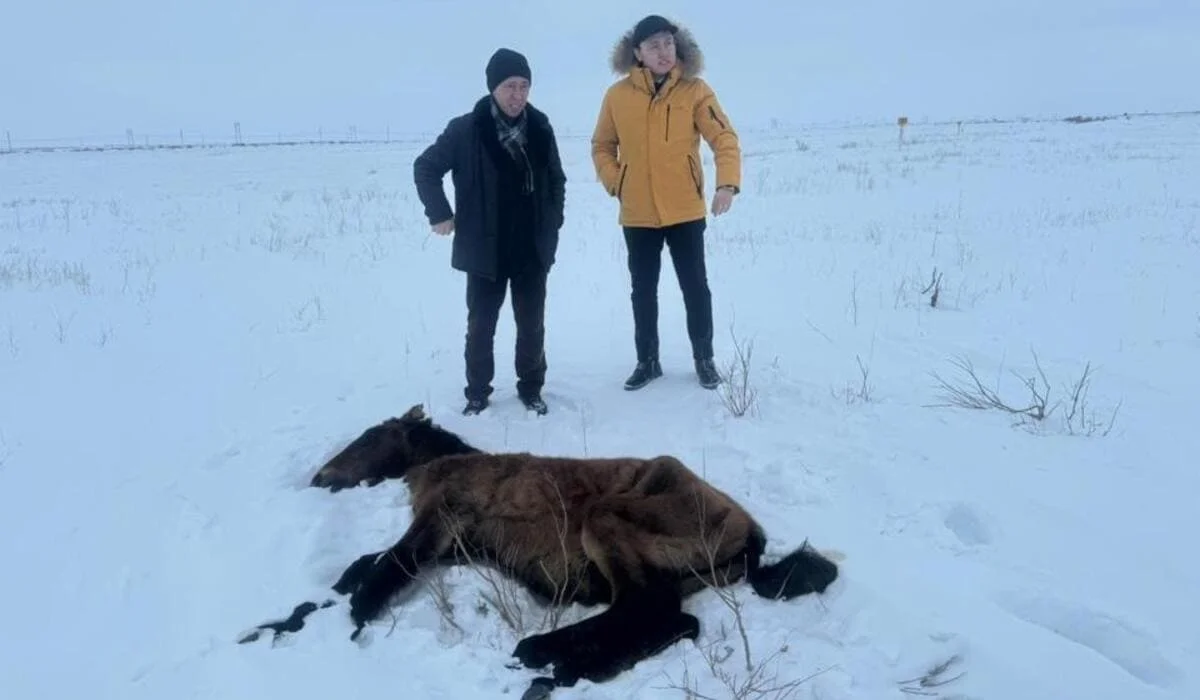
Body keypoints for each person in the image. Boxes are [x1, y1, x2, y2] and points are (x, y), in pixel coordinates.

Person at [592, 14, 742, 392]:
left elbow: (724, 138)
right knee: (642, 290)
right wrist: (617, 182)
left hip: (684, 211)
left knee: (695, 286)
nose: (664, 51)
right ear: (638, 53)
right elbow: (601, 146)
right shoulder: (617, 97)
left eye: (669, 43)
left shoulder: (695, 91)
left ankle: (704, 358)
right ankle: (647, 360)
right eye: (654, 45)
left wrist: (727, 184)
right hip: (638, 213)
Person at [413, 48, 567, 416]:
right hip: (485, 250)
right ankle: (477, 392)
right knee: (481, 325)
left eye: (524, 85)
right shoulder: (465, 129)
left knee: (532, 324)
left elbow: (556, 180)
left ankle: (531, 388)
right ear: (493, 87)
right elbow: (425, 168)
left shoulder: (541, 126)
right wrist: (439, 212)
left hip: (530, 247)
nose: (518, 94)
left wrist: (553, 221)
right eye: (510, 85)